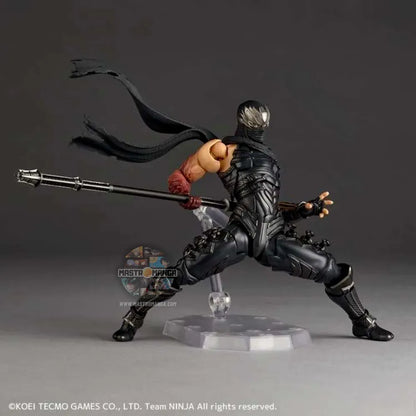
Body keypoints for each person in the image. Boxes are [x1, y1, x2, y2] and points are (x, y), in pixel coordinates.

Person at [69, 60, 393, 343]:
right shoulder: (220, 150)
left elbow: (268, 206)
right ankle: (134, 316)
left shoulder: (268, 157)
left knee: (332, 269)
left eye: (261, 126)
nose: (258, 130)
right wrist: (186, 197)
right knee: (183, 273)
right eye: (255, 125)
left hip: (272, 235)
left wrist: (303, 210)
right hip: (239, 233)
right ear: (244, 123)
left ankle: (362, 321)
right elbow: (180, 178)